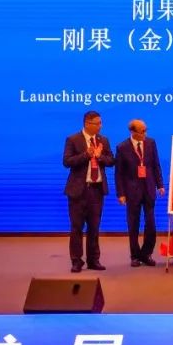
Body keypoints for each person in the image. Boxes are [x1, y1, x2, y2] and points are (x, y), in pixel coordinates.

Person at [63, 111, 115, 272]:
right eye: (97, 123)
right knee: (76, 227)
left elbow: (111, 161)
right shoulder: (73, 139)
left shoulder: (103, 140)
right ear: (87, 123)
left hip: (97, 190)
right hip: (78, 191)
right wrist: (87, 155)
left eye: (101, 123)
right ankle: (76, 261)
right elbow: (67, 161)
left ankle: (93, 260)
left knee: (94, 227)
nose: (100, 126)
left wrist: (99, 157)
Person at [115, 119, 166, 267]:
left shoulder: (151, 143)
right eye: (142, 131)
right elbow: (119, 173)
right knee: (133, 224)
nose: (145, 134)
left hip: (149, 188)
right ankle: (135, 256)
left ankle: (146, 254)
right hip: (132, 191)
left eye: (145, 130)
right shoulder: (122, 147)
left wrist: (160, 185)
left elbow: (155, 165)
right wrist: (121, 193)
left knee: (151, 223)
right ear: (132, 131)